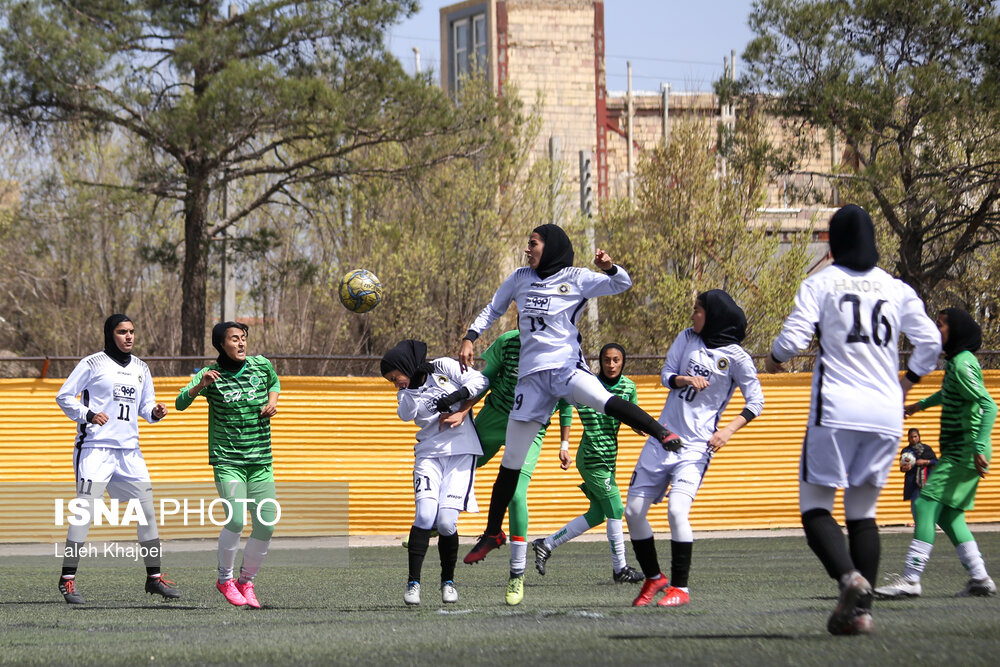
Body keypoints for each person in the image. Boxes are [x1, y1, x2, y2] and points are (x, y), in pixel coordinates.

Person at [458, 224, 681, 575]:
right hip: (530, 382)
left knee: (605, 399)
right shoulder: (520, 277)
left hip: (564, 370)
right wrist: (471, 336)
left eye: (532, 243)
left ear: (552, 247)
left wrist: (609, 267)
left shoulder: (575, 277)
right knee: (510, 463)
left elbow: (622, 283)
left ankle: (661, 432)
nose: (527, 249)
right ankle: (492, 532)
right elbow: (493, 308)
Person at [765, 204, 941, 635]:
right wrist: (908, 382)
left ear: (833, 240)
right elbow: (931, 342)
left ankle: (850, 580)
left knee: (816, 509)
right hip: (885, 412)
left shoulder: (820, 283)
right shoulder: (896, 288)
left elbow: (791, 340)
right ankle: (860, 613)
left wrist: (773, 358)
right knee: (862, 513)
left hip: (837, 409)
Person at [625, 291, 764, 607]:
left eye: (697, 310)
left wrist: (727, 431)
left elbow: (756, 402)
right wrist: (684, 379)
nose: (693, 315)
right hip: (662, 440)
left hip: (696, 448)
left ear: (713, 315)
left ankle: (681, 589)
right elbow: (665, 376)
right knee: (632, 513)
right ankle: (654, 577)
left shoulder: (738, 358)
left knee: (677, 511)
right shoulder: (686, 337)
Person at [54, 314, 178, 604]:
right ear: (111, 334)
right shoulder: (92, 363)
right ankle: (67, 580)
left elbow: (145, 405)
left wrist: (154, 413)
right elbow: (64, 396)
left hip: (129, 451)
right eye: (123, 332)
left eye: (132, 331)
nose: (129, 337)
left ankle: (154, 578)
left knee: (147, 511)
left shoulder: (141, 368)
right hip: (96, 448)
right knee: (84, 511)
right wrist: (88, 415)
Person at [875, 308, 996, 599]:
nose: (936, 329)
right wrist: (919, 406)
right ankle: (980, 577)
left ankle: (911, 578)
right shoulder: (957, 363)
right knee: (951, 516)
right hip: (962, 450)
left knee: (926, 504)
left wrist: (979, 446)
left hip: (966, 450)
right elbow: (951, 394)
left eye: (940, 325)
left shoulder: (963, 363)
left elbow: (988, 404)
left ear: (955, 331)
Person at [446, 329, 572, 606]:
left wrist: (565, 443)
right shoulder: (507, 342)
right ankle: (437, 521)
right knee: (459, 465)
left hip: (532, 425)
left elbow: (565, 400)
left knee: (515, 494)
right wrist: (464, 410)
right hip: (497, 415)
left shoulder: (560, 347)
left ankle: (517, 574)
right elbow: (485, 379)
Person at [175, 322, 280, 609]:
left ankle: (246, 582)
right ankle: (225, 579)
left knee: (266, 523)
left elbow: (274, 382)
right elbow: (180, 403)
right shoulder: (211, 375)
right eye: (235, 339)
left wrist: (273, 402)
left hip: (260, 460)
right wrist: (200, 385)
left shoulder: (261, 366)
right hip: (228, 461)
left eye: (244, 338)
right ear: (222, 344)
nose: (242, 343)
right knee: (235, 519)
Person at [381, 339, 487, 606]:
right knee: (426, 515)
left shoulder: (443, 366)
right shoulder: (406, 392)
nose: (396, 383)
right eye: (392, 381)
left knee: (446, 523)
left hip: (461, 453)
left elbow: (480, 382)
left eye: (396, 377)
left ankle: (447, 582)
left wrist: (457, 402)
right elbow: (406, 415)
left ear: (406, 364)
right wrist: (410, 388)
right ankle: (413, 584)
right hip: (428, 455)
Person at [532, 343, 645, 585]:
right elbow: (564, 404)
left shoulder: (628, 387)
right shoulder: (588, 384)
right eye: (606, 360)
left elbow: (634, 415)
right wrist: (564, 445)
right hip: (591, 457)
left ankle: (547, 544)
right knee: (616, 510)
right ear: (600, 362)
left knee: (598, 514)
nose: (611, 365)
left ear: (623, 362)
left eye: (616, 360)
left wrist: (644, 428)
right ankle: (620, 569)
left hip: (609, 458)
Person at [899, 428, 938, 516]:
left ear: (919, 437)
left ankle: (930, 523)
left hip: (926, 481)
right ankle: (918, 525)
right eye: (911, 437)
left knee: (928, 503)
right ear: (908, 438)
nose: (913, 439)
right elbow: (902, 467)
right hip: (913, 483)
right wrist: (905, 468)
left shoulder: (926, 449)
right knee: (915, 505)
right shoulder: (906, 451)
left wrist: (925, 462)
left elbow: (936, 462)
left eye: (915, 436)